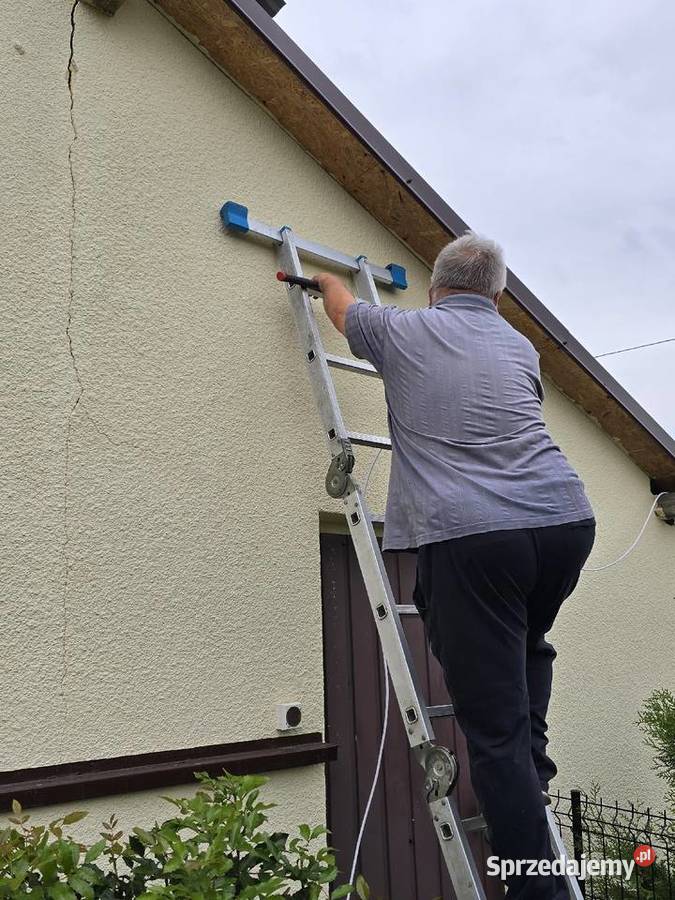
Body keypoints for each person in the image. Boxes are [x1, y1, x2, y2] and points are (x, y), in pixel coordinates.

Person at [314, 233, 595, 900]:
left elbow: (341, 305)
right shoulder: (518, 347)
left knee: (490, 730)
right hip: (564, 522)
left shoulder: (399, 330)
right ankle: (533, 775)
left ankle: (536, 888)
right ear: (497, 297)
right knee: (526, 642)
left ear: (435, 287)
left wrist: (319, 282)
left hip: (473, 539)